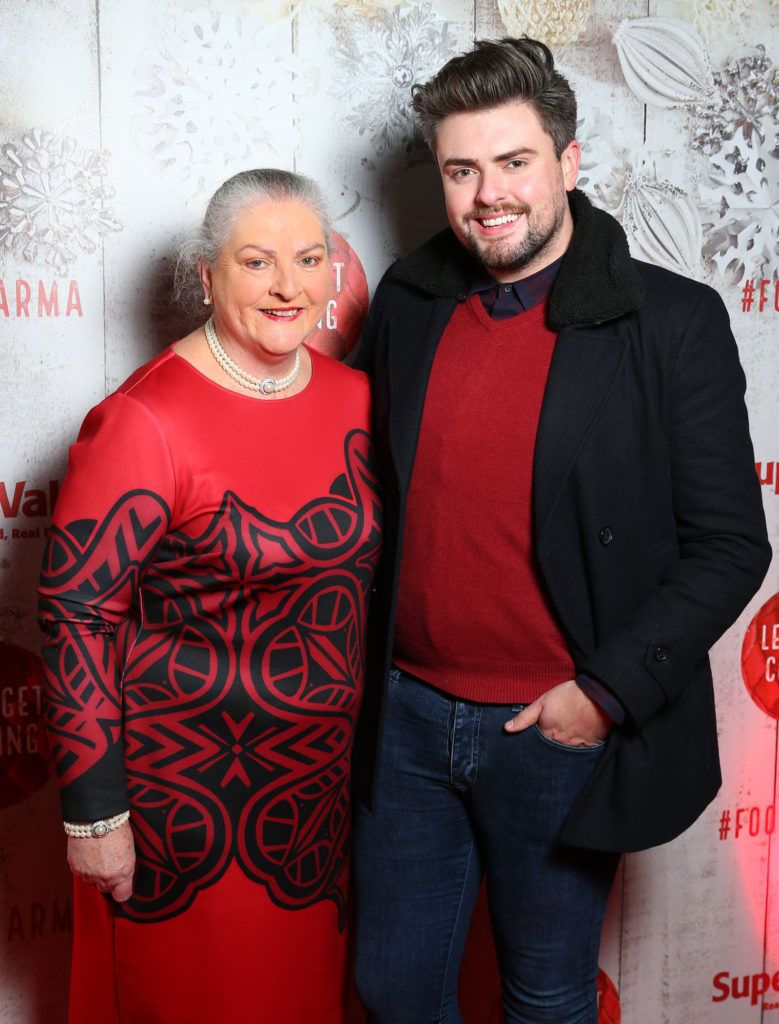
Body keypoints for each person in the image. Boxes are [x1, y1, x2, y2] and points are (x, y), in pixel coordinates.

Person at [351, 37, 770, 1024]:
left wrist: (601, 693)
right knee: (392, 990)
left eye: (512, 162)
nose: (485, 193)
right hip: (404, 720)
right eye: (460, 169)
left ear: (566, 163)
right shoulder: (409, 305)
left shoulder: (668, 323)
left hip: (553, 731)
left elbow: (728, 543)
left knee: (543, 996)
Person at [38, 168, 382, 1024]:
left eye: (309, 259)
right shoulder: (145, 420)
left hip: (313, 810)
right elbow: (77, 615)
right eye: (256, 261)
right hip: (180, 808)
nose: (287, 285)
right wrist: (95, 817)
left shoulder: (357, 401)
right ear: (208, 276)